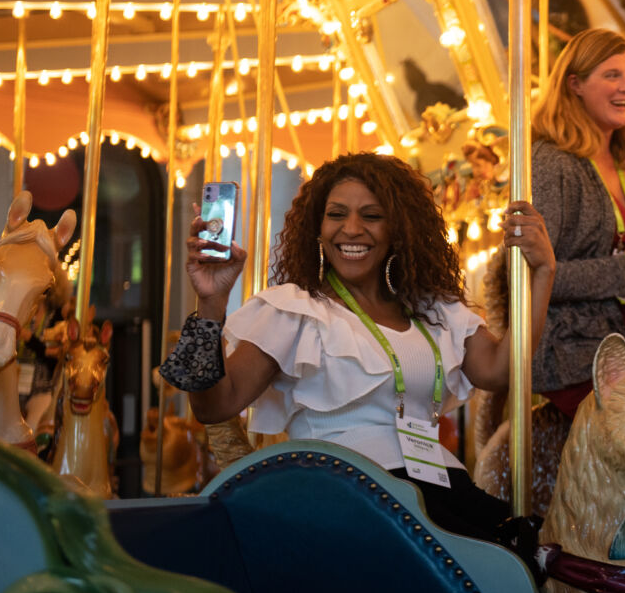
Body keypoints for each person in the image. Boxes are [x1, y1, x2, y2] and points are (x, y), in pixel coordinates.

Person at [159, 152, 555, 541]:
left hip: (435, 481)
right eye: (336, 214)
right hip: (344, 489)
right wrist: (211, 303)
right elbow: (215, 406)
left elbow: (500, 370)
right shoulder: (294, 309)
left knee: (521, 552)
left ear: (398, 229)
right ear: (317, 227)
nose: (351, 229)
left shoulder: (433, 310)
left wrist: (543, 274)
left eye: (372, 215)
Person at [521, 27, 625, 414]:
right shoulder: (552, 163)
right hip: (574, 345)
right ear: (575, 84)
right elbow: (537, 274)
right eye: (612, 75)